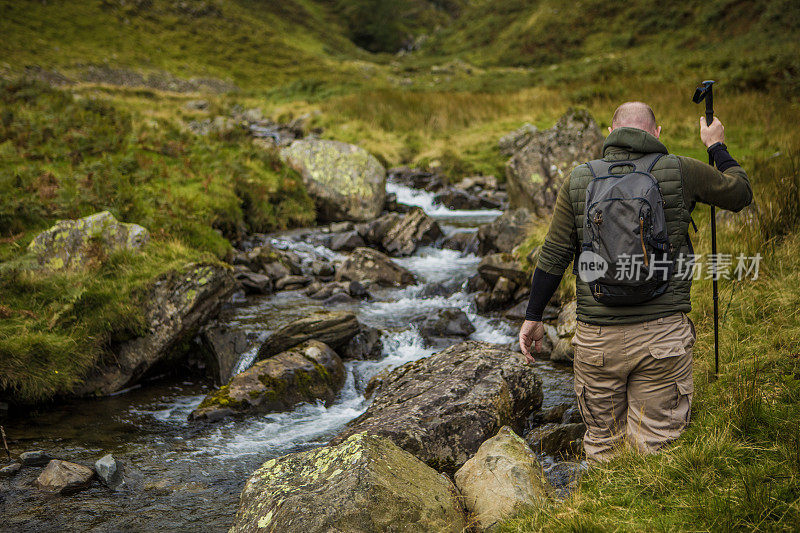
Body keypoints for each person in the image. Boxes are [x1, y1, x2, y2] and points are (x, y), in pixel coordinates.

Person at [518, 102, 752, 462]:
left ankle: (596, 516)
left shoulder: (580, 179)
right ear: (655, 134)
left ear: (611, 134)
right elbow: (739, 194)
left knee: (602, 444)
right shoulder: (679, 169)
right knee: (658, 449)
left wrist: (533, 316)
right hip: (661, 337)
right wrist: (715, 146)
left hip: (597, 341)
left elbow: (553, 254)